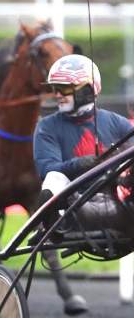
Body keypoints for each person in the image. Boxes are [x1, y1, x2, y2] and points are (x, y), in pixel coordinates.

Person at [34, 54, 134, 235]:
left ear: (88, 89)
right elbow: (46, 168)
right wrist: (81, 164)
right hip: (74, 208)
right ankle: (53, 226)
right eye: (55, 88)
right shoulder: (47, 127)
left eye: (64, 88)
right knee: (54, 177)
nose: (57, 94)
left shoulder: (118, 123)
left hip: (120, 204)